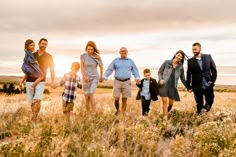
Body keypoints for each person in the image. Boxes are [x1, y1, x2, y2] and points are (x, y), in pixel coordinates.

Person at [24, 38, 55, 127]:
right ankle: (34, 117)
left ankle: (34, 119)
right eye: (43, 43)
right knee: (32, 102)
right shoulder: (32, 55)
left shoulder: (49, 56)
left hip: (41, 81)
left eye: (46, 44)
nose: (44, 45)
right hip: (30, 80)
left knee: (37, 100)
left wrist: (52, 81)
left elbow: (52, 69)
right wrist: (23, 80)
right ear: (39, 44)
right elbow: (26, 68)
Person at [103, 47, 140, 115]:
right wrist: (105, 76)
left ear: (127, 52)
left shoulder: (130, 61)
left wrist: (137, 77)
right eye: (122, 51)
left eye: (125, 51)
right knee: (116, 98)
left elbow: (135, 70)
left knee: (124, 99)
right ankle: (117, 111)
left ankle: (123, 113)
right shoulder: (116, 60)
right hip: (117, 81)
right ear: (119, 52)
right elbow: (110, 69)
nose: (123, 52)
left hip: (127, 82)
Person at [187, 42, 217, 114]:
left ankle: (206, 110)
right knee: (199, 102)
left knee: (210, 100)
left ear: (200, 49)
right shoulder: (190, 61)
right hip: (196, 85)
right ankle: (199, 116)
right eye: (192, 49)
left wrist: (212, 80)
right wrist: (189, 86)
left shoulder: (208, 57)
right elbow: (188, 74)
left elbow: (213, 69)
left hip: (208, 83)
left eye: (195, 49)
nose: (193, 51)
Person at [158, 50, 188, 117]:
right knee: (164, 101)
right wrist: (160, 79)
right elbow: (160, 72)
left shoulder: (180, 67)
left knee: (171, 104)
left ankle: (164, 114)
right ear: (175, 55)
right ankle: (165, 119)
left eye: (181, 56)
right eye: (178, 55)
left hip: (172, 86)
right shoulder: (166, 62)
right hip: (164, 85)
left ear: (182, 58)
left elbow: (183, 79)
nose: (179, 57)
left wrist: (188, 87)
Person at [80, 41, 103, 114]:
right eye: (88, 49)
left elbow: (101, 67)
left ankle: (94, 113)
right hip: (85, 78)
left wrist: (101, 77)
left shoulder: (97, 57)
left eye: (91, 49)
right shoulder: (83, 56)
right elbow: (82, 68)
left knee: (91, 93)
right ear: (86, 49)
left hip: (94, 78)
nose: (90, 51)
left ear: (94, 49)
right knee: (87, 98)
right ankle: (88, 114)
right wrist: (84, 77)